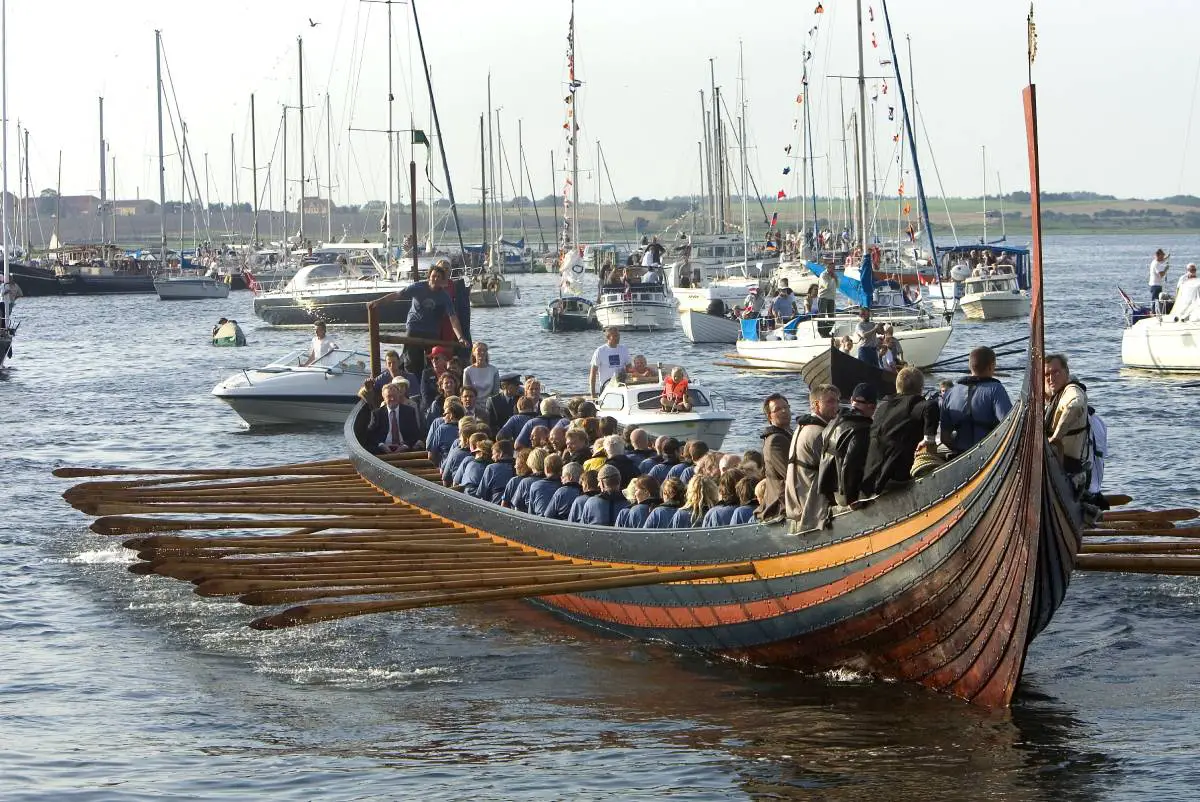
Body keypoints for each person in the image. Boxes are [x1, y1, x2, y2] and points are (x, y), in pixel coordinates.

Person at [862, 367, 939, 496]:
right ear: (921, 388)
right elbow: (931, 406)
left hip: (872, 475)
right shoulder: (913, 404)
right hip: (896, 476)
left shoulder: (883, 406)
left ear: (897, 386)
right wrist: (928, 439)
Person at [397, 260, 469, 376]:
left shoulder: (454, 287)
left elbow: (456, 315)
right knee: (412, 359)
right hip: (429, 327)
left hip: (445, 328)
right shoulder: (421, 287)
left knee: (438, 358)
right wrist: (379, 302)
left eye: (447, 269)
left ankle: (439, 379)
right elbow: (398, 294)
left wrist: (461, 336)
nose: (444, 271)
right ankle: (415, 381)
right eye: (442, 268)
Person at [939, 346, 1013, 456]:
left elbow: (944, 437)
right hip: (988, 454)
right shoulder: (996, 389)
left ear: (970, 366)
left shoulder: (951, 392)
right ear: (991, 366)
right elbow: (1010, 425)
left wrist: (959, 450)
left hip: (960, 453)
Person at [784, 383, 839, 527]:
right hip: (813, 508)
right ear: (816, 404)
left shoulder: (800, 428)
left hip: (796, 505)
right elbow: (834, 472)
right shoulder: (819, 433)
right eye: (830, 401)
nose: (836, 406)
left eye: (837, 401)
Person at [817, 383, 876, 508]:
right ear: (872, 406)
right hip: (846, 495)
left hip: (829, 491)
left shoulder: (834, 421)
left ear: (851, 400)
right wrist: (852, 499)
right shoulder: (862, 429)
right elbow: (851, 466)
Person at [1045, 353, 1091, 495]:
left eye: (1056, 372)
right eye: (1047, 374)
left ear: (1067, 372)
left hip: (1068, 470)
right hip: (1050, 465)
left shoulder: (1071, 391)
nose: (1051, 378)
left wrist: (1056, 437)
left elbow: (1075, 406)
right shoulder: (1051, 395)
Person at [757, 393, 794, 521]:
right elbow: (790, 474)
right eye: (777, 409)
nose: (784, 411)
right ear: (769, 416)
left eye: (786, 407)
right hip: (782, 505)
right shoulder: (775, 441)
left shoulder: (789, 433)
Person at [366, 383, 421, 454]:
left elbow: (415, 433)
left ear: (399, 396)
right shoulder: (377, 413)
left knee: (418, 446)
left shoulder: (409, 411)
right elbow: (371, 435)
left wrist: (405, 446)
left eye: (394, 396)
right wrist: (382, 445)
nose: (392, 399)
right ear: (384, 398)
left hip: (404, 447)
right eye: (389, 396)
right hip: (384, 447)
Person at [589, 327, 632, 396]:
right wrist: (593, 394)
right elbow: (593, 373)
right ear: (608, 337)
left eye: (618, 335)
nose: (618, 338)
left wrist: (630, 385)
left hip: (621, 387)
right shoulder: (600, 351)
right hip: (606, 388)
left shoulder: (624, 349)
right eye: (615, 336)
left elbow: (629, 368)